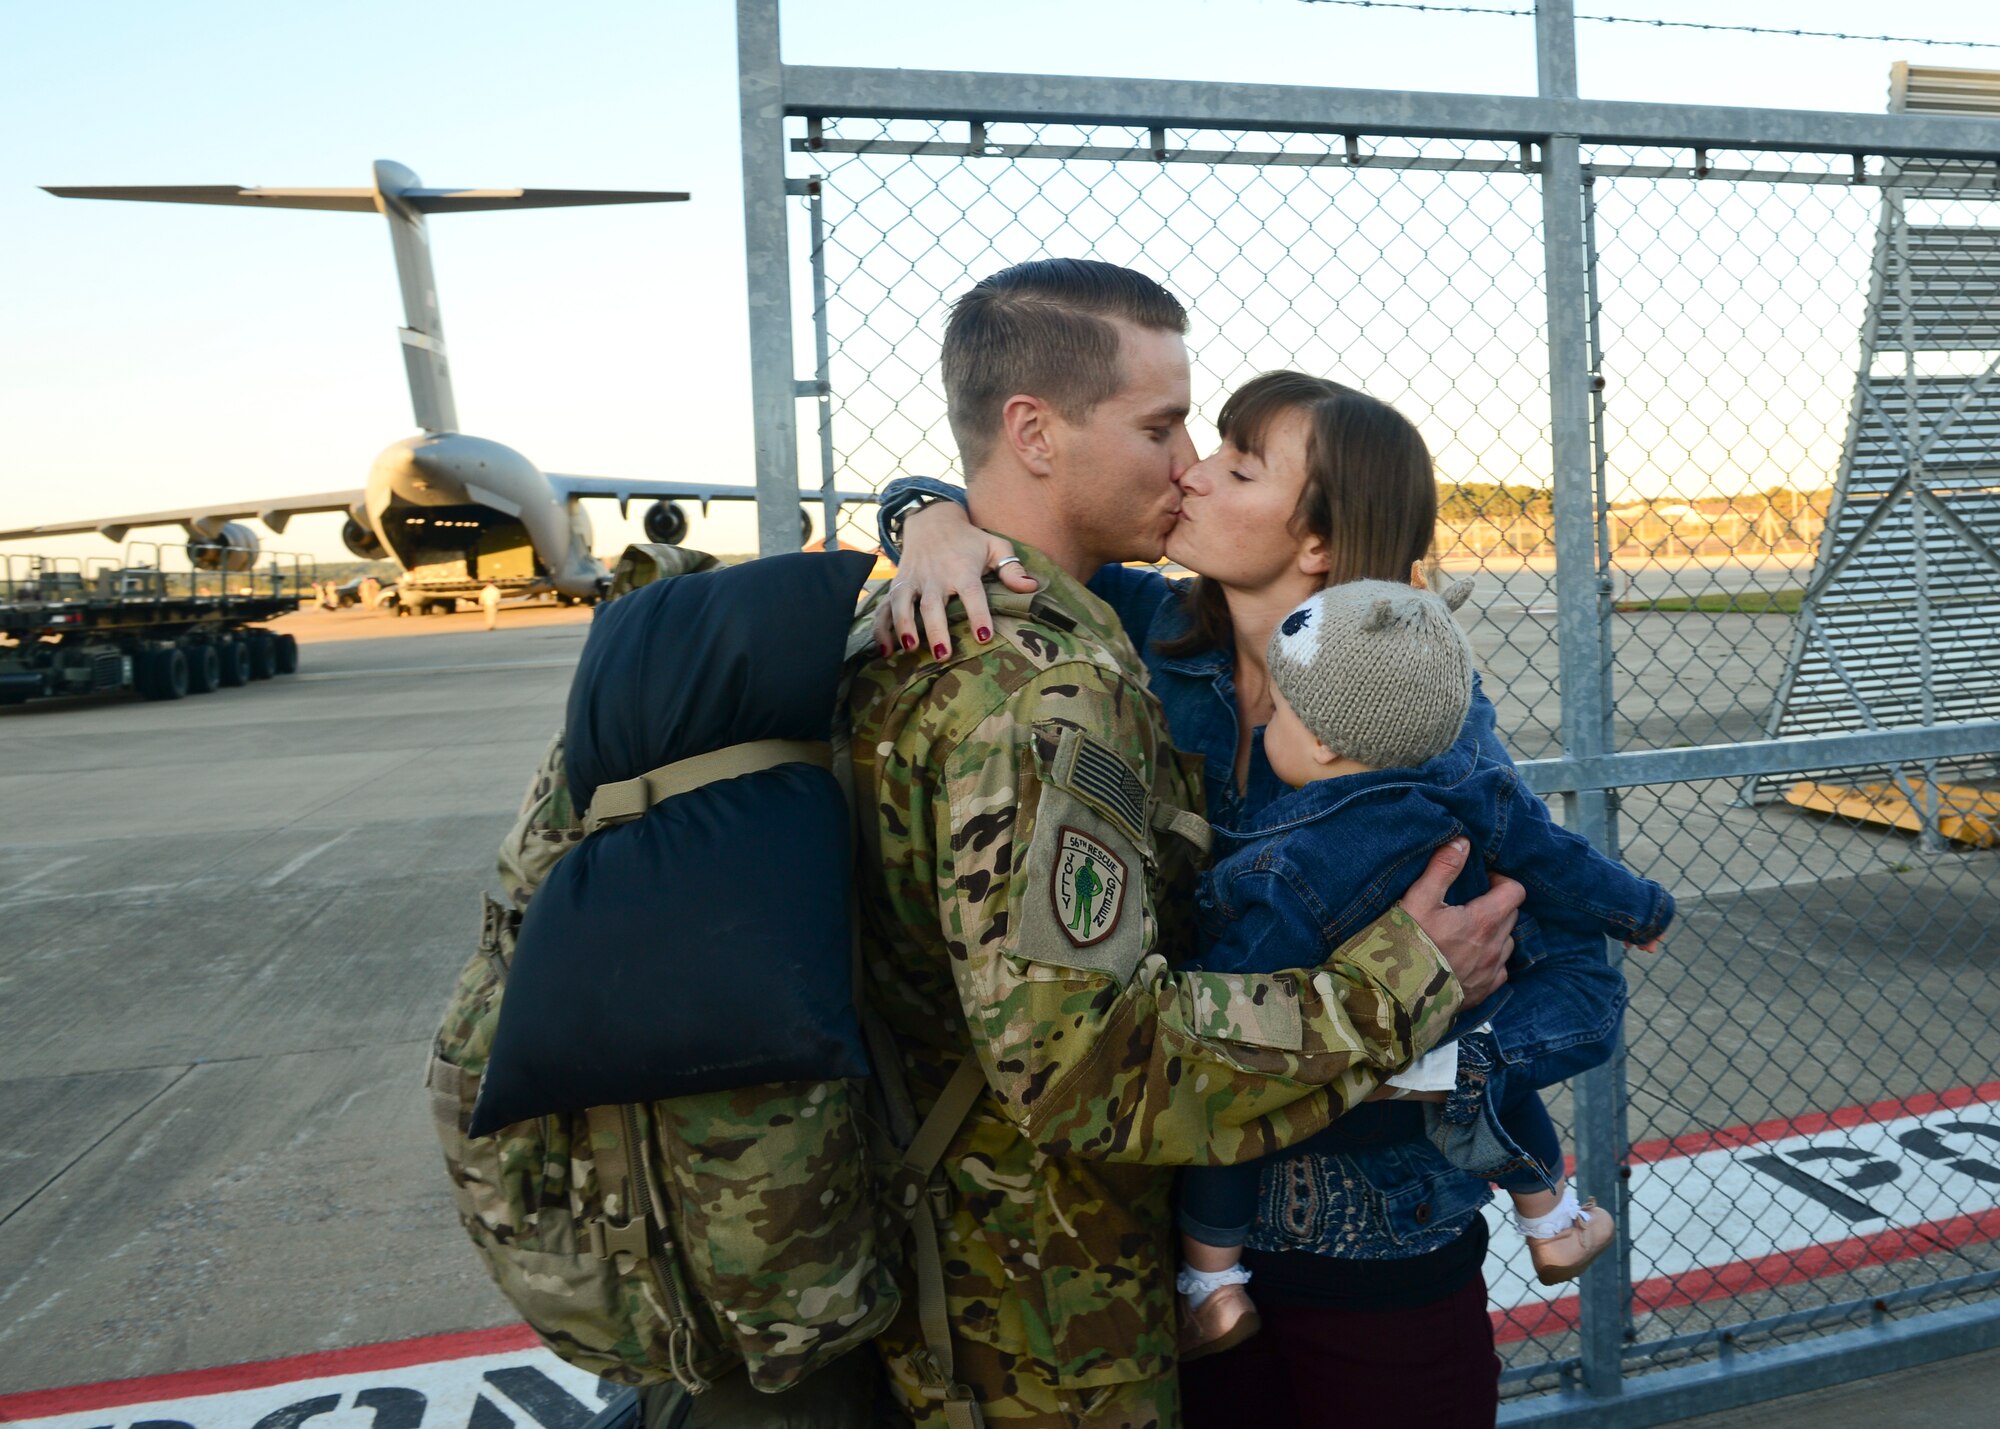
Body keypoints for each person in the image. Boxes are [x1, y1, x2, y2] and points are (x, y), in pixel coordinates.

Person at [879, 370, 1630, 1426]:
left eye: (1235, 464)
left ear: (1315, 543)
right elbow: (992, 512)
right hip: (1180, 1234)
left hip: (1375, 1229)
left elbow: (1560, 968)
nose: (1187, 469)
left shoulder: (1419, 715)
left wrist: (1423, 1053)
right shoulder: (1142, 633)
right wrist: (927, 518)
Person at [1173, 576, 1675, 1359]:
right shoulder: (1472, 795)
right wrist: (1641, 908)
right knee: (1488, 1056)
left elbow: (1239, 992)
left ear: (1326, 744)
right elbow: (1559, 862)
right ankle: (1548, 1218)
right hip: (1436, 1047)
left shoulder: (1272, 864)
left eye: (1280, 708)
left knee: (1232, 1129)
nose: (1266, 717)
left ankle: (1214, 1283)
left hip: (1326, 1088)